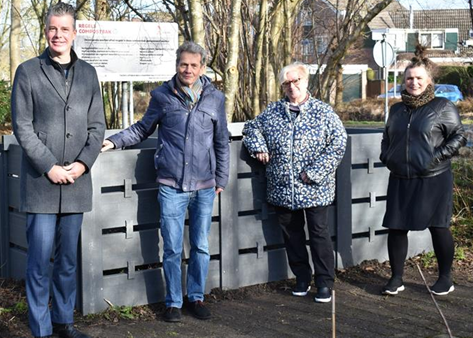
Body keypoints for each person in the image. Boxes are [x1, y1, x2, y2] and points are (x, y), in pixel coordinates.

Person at [101, 41, 230, 323]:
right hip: (171, 185)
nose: (188, 69)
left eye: (194, 65)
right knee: (171, 247)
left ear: (202, 67)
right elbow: (141, 128)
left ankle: (195, 297)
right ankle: (173, 301)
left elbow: (222, 141)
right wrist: (113, 141)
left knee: (201, 246)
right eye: (183, 64)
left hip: (205, 186)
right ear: (176, 65)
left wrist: (221, 177)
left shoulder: (215, 98)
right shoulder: (162, 96)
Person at [11, 2, 105, 338]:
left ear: (74, 33)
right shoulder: (28, 71)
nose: (58, 34)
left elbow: (98, 127)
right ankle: (41, 329)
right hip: (42, 183)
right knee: (39, 263)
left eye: (65, 29)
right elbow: (22, 126)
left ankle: (64, 323)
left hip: (77, 184)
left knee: (67, 261)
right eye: (53, 28)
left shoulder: (89, 74)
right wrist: (49, 166)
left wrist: (81, 164)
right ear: (45, 31)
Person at [242, 63, 347, 304]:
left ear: (306, 81)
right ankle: (302, 277)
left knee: (319, 235)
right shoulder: (273, 111)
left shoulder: (323, 112)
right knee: (292, 236)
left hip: (314, 188)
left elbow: (339, 143)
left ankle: (324, 282)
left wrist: (316, 172)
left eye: (296, 80)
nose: (292, 86)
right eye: (287, 83)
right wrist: (258, 146)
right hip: (282, 187)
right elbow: (251, 127)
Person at [379, 47, 466, 296]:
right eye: (409, 78)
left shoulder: (442, 106)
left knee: (438, 226)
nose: (413, 82)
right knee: (396, 227)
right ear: (403, 81)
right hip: (400, 177)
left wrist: (434, 158)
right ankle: (396, 278)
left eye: (419, 78)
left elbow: (459, 136)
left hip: (433, 177)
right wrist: (387, 156)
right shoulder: (396, 110)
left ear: (429, 81)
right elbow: (387, 137)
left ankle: (445, 278)